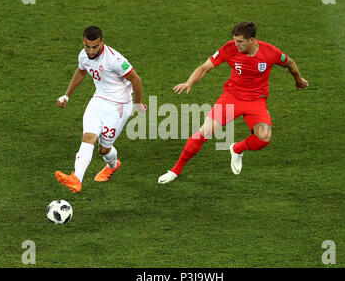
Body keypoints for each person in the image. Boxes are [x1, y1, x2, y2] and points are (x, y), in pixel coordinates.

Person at [158, 21, 308, 184]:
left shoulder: (270, 52)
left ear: (252, 40)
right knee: (205, 132)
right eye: (235, 40)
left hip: (256, 102)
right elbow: (204, 68)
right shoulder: (230, 48)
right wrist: (189, 82)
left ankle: (236, 149)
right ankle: (175, 170)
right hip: (231, 98)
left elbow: (290, 63)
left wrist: (298, 79)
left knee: (263, 138)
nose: (236, 45)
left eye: (240, 42)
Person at [55, 26, 147, 193]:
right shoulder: (83, 56)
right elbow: (81, 71)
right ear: (83, 42)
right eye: (87, 46)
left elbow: (136, 79)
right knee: (88, 137)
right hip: (99, 100)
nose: (90, 51)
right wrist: (67, 95)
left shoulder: (114, 60)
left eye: (95, 47)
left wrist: (138, 103)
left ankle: (112, 165)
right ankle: (76, 179)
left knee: (103, 149)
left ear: (102, 42)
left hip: (119, 106)